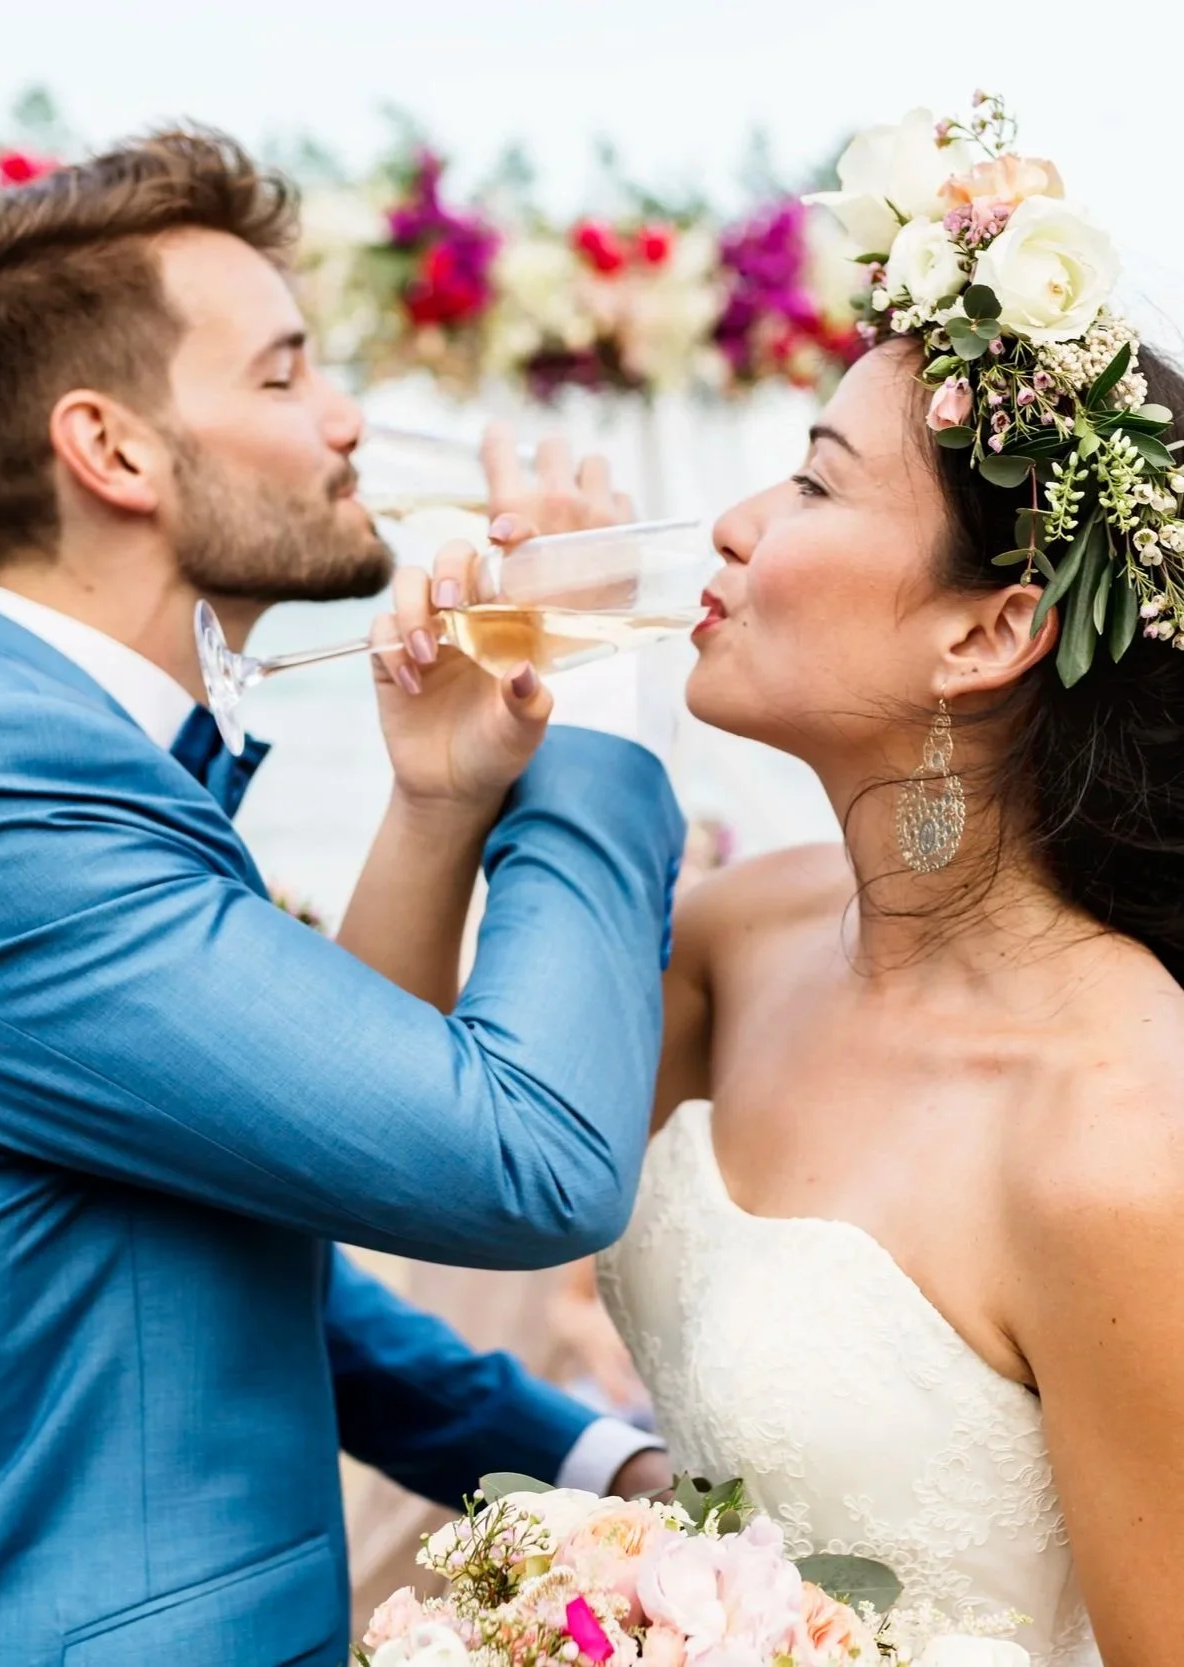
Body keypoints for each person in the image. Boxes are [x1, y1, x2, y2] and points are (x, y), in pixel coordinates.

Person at [0, 130, 678, 1666]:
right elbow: (534, 1159)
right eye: (288, 377)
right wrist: (593, 666)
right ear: (114, 450)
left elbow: (242, 1221)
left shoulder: (49, 755)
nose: (349, 421)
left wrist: (434, 807)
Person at [597, 113, 1184, 1665]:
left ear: (986, 635)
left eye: (811, 484)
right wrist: (459, 788)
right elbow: (416, 1156)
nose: (733, 526)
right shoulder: (743, 933)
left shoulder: (1122, 1135)